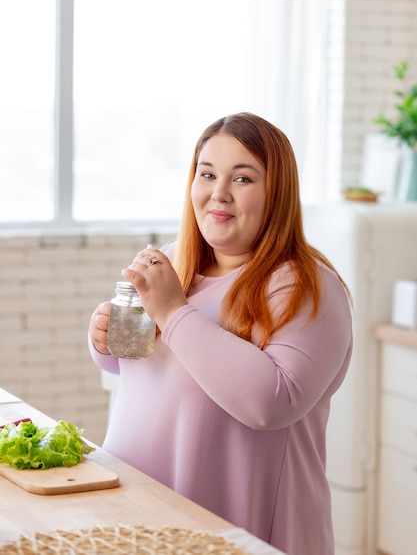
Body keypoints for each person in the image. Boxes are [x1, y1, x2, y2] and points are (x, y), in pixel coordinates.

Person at [88, 112, 352, 555]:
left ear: (277, 193)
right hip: (138, 519)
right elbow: (139, 365)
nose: (219, 193)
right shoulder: (175, 261)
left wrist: (173, 311)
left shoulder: (306, 285)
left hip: (240, 533)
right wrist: (105, 339)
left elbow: (272, 402)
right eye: (207, 174)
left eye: (243, 178)